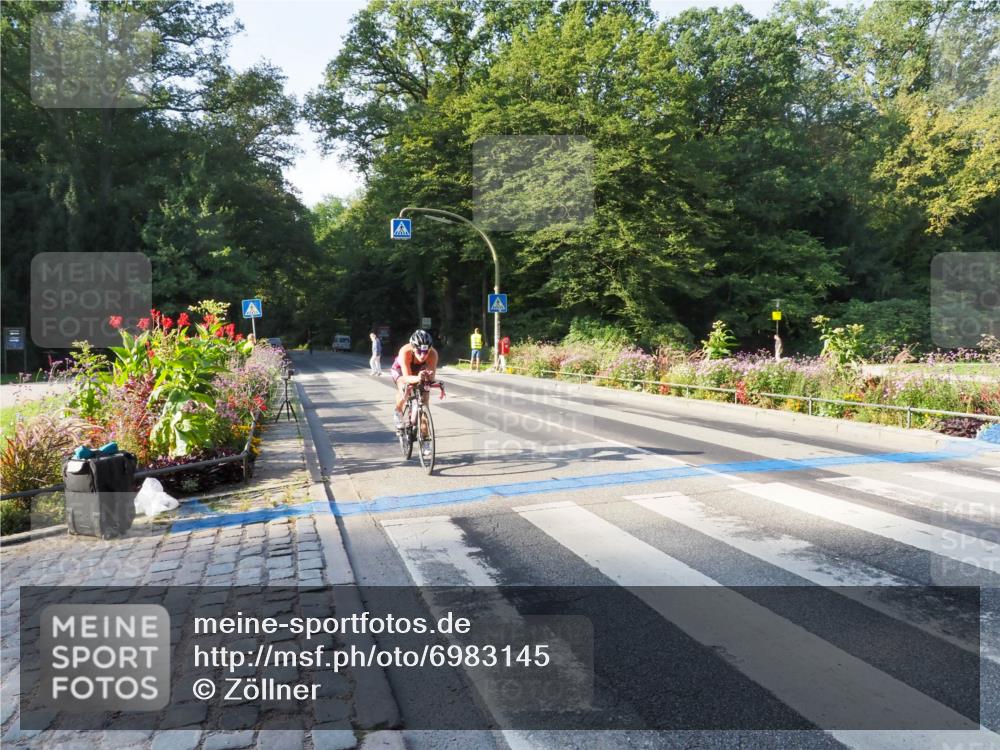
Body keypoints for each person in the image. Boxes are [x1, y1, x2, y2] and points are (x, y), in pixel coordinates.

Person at [391, 330, 439, 444]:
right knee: (404, 389)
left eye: (426, 352)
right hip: (401, 370)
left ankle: (425, 437)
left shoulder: (433, 354)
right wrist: (418, 378)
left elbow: (431, 378)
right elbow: (407, 377)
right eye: (419, 351)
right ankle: (398, 411)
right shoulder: (405, 351)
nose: (423, 355)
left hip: (419, 371)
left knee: (425, 400)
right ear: (413, 348)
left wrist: (428, 378)